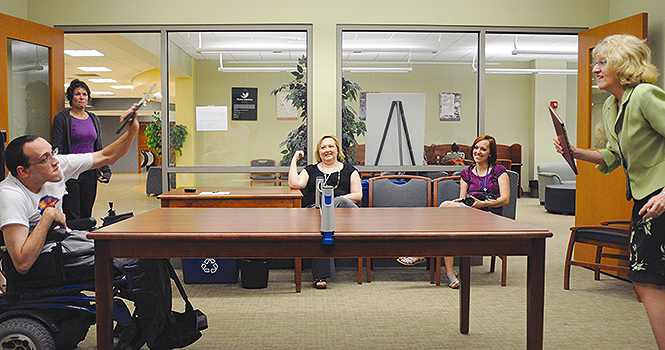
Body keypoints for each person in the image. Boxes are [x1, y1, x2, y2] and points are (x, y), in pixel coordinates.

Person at [0, 106, 196, 349]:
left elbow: (106, 156)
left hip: (66, 245)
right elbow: (21, 262)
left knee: (150, 251)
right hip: (47, 260)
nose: (55, 161)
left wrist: (132, 132)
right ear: (23, 171)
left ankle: (159, 327)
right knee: (140, 261)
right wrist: (48, 216)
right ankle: (158, 334)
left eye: (53, 153)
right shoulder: (11, 196)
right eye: (45, 159)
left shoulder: (56, 166)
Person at [554, 34, 665, 349]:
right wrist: (573, 152)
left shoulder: (644, 95)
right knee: (645, 280)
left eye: (603, 62)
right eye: (595, 63)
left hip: (661, 197)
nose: (596, 69)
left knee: (649, 280)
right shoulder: (612, 107)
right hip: (645, 200)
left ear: (623, 64)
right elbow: (613, 157)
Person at [399, 135, 510, 289]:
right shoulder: (467, 172)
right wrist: (461, 203)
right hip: (470, 215)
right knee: (448, 222)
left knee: (445, 208)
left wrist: (482, 203)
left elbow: (505, 199)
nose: (478, 152)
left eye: (483, 149)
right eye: (476, 148)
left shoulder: (499, 171)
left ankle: (423, 252)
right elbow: (462, 199)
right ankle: (449, 272)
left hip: (492, 217)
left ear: (490, 153)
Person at [288, 135, 362, 289]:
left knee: (331, 207)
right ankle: (320, 275)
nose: (327, 150)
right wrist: (294, 160)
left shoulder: (350, 170)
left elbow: (357, 195)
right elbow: (295, 183)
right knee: (323, 224)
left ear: (337, 150)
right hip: (315, 214)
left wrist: (333, 200)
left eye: (331, 146)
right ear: (319, 152)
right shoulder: (311, 170)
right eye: (323, 147)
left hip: (343, 213)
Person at [51, 79, 111, 220]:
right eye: (77, 94)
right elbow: (56, 148)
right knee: (72, 213)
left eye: (84, 94)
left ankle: (85, 240)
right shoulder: (62, 119)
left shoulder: (93, 118)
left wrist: (106, 170)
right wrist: (58, 176)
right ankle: (73, 240)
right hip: (71, 170)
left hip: (90, 170)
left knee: (87, 211)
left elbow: (99, 147)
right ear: (71, 97)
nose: (82, 97)